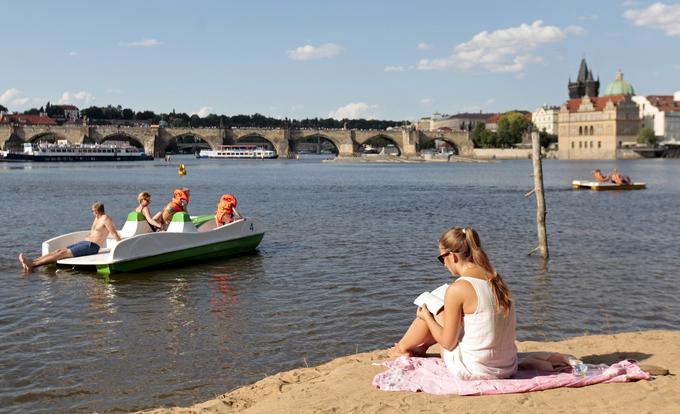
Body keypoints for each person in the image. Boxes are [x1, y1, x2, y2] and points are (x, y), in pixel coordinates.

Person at [389, 226, 517, 380]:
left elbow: (448, 343)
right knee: (440, 300)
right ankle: (418, 347)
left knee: (430, 305)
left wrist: (427, 318)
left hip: (475, 368)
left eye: (442, 258)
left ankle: (402, 348)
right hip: (506, 365)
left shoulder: (459, 288)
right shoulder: (497, 281)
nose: (443, 264)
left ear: (453, 256)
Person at [19, 202, 121, 272]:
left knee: (62, 253)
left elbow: (114, 233)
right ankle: (32, 261)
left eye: (92, 211)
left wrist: (120, 245)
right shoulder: (97, 218)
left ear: (97, 211)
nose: (92, 213)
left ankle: (33, 265)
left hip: (92, 246)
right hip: (85, 243)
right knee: (59, 250)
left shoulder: (106, 219)